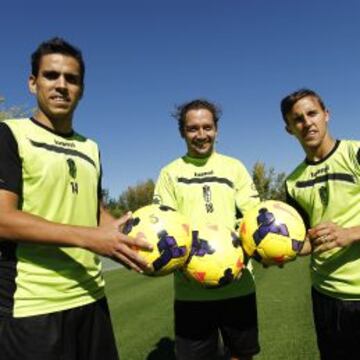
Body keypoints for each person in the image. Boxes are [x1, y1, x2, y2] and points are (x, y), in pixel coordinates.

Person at [0, 37, 151, 360]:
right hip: (33, 305)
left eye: (72, 79)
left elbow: (93, 211)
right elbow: (3, 218)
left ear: (81, 89)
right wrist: (90, 240)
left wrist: (143, 243)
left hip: (91, 297)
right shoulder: (9, 135)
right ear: (32, 83)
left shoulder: (90, 148)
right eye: (51, 75)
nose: (61, 85)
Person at [153, 99, 260, 360]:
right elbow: (163, 226)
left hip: (238, 285)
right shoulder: (170, 173)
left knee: (241, 355)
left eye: (207, 127)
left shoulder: (233, 167)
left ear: (216, 130)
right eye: (193, 129)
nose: (201, 135)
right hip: (191, 292)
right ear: (182, 132)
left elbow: (253, 216)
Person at [282, 88, 360, 360]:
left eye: (312, 113)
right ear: (289, 129)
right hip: (327, 296)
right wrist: (281, 249)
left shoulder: (355, 153)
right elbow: (304, 241)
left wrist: (350, 234)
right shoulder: (293, 182)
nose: (307, 123)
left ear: (326, 115)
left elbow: (345, 235)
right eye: (298, 119)